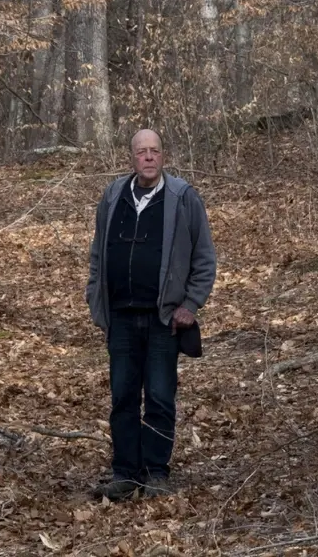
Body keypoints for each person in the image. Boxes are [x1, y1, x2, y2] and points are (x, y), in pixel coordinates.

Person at [85, 129, 217, 500]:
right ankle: (125, 473)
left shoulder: (183, 198)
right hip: (121, 318)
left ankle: (156, 473)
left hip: (165, 319)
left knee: (159, 396)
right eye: (141, 152)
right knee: (123, 397)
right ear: (131, 157)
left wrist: (190, 305)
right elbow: (97, 255)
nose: (148, 158)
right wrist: (96, 301)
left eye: (154, 151)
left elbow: (204, 259)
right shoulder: (113, 196)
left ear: (163, 156)